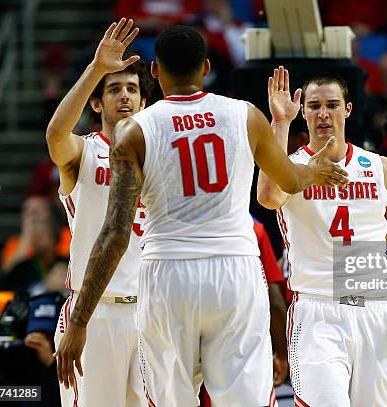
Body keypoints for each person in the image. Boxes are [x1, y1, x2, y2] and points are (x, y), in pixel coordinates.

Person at [54, 23, 348, 407]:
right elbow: (290, 181)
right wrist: (314, 169)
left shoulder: (134, 131)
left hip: (167, 274)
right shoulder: (244, 115)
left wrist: (78, 321)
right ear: (206, 67)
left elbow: (115, 233)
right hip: (234, 270)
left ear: (155, 73)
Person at [257, 67, 387, 406]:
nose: (323, 113)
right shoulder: (292, 168)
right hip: (317, 312)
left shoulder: (380, 167)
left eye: (331, 104)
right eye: (313, 106)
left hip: (374, 311)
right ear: (303, 112)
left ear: (348, 109)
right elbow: (267, 196)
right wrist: (280, 123)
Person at [45, 18, 152, 406]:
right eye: (114, 89)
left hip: (151, 311)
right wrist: (96, 70)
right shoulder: (83, 152)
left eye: (131, 89)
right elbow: (55, 136)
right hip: (94, 313)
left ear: (143, 102)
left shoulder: (159, 157)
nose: (124, 95)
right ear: (97, 101)